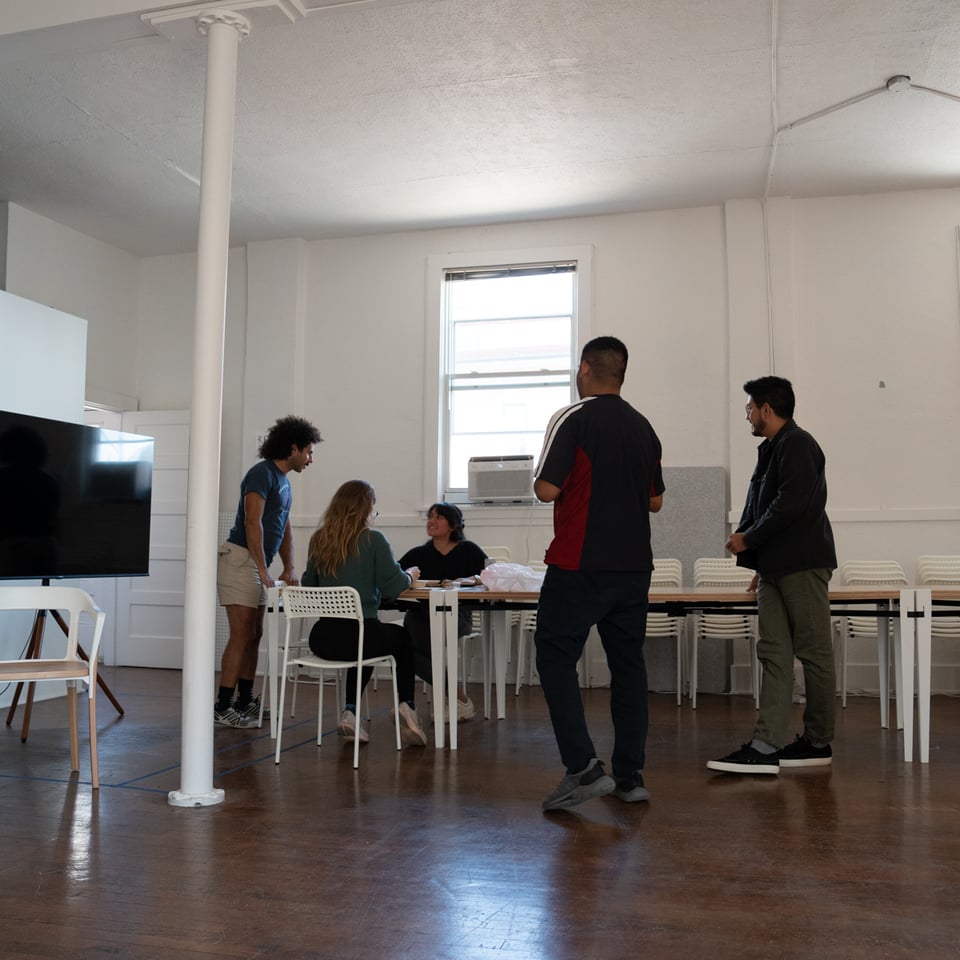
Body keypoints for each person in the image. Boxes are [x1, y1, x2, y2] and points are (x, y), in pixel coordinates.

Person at [533, 336, 665, 811]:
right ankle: (630, 776)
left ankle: (583, 767)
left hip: (579, 563)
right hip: (633, 567)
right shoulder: (643, 427)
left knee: (553, 655)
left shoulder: (572, 417)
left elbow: (547, 490)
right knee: (628, 668)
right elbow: (655, 500)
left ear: (585, 369)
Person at [707, 376, 837, 774]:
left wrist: (748, 540)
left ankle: (817, 741)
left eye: (750, 407)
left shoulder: (798, 443)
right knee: (774, 653)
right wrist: (762, 564)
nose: (747, 414)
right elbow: (770, 506)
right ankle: (765, 746)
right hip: (777, 568)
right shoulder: (773, 449)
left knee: (813, 652)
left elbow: (791, 505)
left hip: (802, 564)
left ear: (766, 408)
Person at [302, 480, 427, 747]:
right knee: (399, 638)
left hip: (323, 638)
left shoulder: (318, 540)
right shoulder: (373, 540)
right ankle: (406, 705)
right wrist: (411, 575)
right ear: (365, 509)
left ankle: (351, 712)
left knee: (365, 644)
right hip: (361, 636)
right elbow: (394, 585)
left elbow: (308, 587)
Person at [215, 415, 322, 728]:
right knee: (241, 634)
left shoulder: (284, 482)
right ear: (293, 448)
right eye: (309, 452)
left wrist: (288, 566)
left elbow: (283, 527)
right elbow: (253, 521)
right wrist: (262, 569)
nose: (310, 459)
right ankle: (222, 707)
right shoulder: (261, 473)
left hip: (258, 563)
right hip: (239, 560)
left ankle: (245, 701)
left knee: (255, 634)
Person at [398, 502, 487, 722]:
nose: (431, 521)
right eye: (430, 516)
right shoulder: (418, 554)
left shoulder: (470, 551)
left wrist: (469, 581)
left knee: (408, 646)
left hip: (458, 616)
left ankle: (426, 704)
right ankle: (458, 698)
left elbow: (489, 577)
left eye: (438, 517)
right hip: (422, 615)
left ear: (453, 524)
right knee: (408, 640)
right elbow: (395, 578)